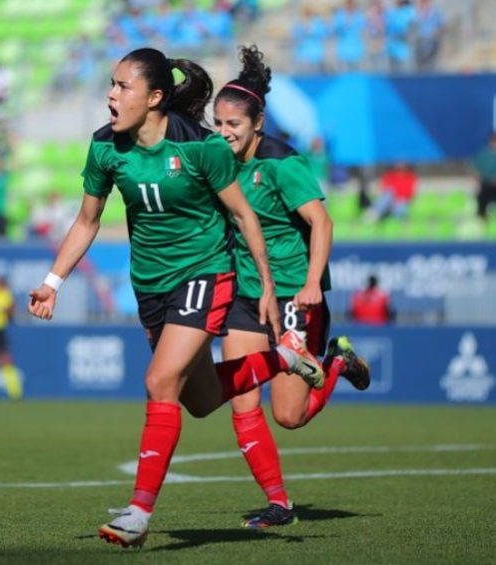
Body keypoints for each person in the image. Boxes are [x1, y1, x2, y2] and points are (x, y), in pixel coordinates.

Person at [27, 47, 326, 549]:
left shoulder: (200, 147)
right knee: (201, 400)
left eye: (123, 86)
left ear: (156, 97)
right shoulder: (105, 148)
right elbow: (87, 221)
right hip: (151, 286)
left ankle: (138, 513)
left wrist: (270, 288)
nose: (111, 94)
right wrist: (52, 282)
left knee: (159, 380)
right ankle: (282, 358)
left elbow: (244, 216)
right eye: (112, 84)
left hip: (205, 273)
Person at [213, 45, 371, 528]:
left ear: (257, 124)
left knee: (289, 416)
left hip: (294, 298)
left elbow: (320, 224)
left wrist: (310, 286)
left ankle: (337, 361)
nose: (224, 134)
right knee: (241, 398)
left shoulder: (283, 163)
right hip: (247, 295)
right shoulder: (218, 161)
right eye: (217, 124)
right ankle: (279, 504)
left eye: (233, 126)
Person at [470, 132, 496, 224]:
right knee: (482, 204)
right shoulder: (483, 155)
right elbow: (474, 169)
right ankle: (483, 223)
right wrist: (478, 178)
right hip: (486, 185)